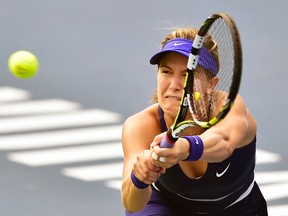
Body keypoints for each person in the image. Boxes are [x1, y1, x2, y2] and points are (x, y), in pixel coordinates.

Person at [120, 28, 268, 216]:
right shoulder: (140, 125)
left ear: (211, 84)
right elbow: (131, 204)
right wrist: (139, 178)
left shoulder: (228, 106)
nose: (174, 85)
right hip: (168, 207)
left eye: (187, 74)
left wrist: (185, 147)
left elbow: (223, 143)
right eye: (166, 72)